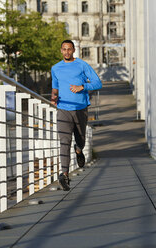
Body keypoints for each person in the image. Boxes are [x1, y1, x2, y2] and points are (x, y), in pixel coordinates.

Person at [51, 40, 102, 191]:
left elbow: (98, 83)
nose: (66, 52)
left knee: (80, 139)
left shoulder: (82, 65)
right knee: (64, 142)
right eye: (64, 49)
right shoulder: (55, 68)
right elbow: (55, 88)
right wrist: (53, 98)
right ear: (61, 50)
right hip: (63, 109)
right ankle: (65, 175)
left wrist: (82, 86)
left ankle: (79, 150)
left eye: (69, 49)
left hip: (80, 108)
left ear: (73, 50)